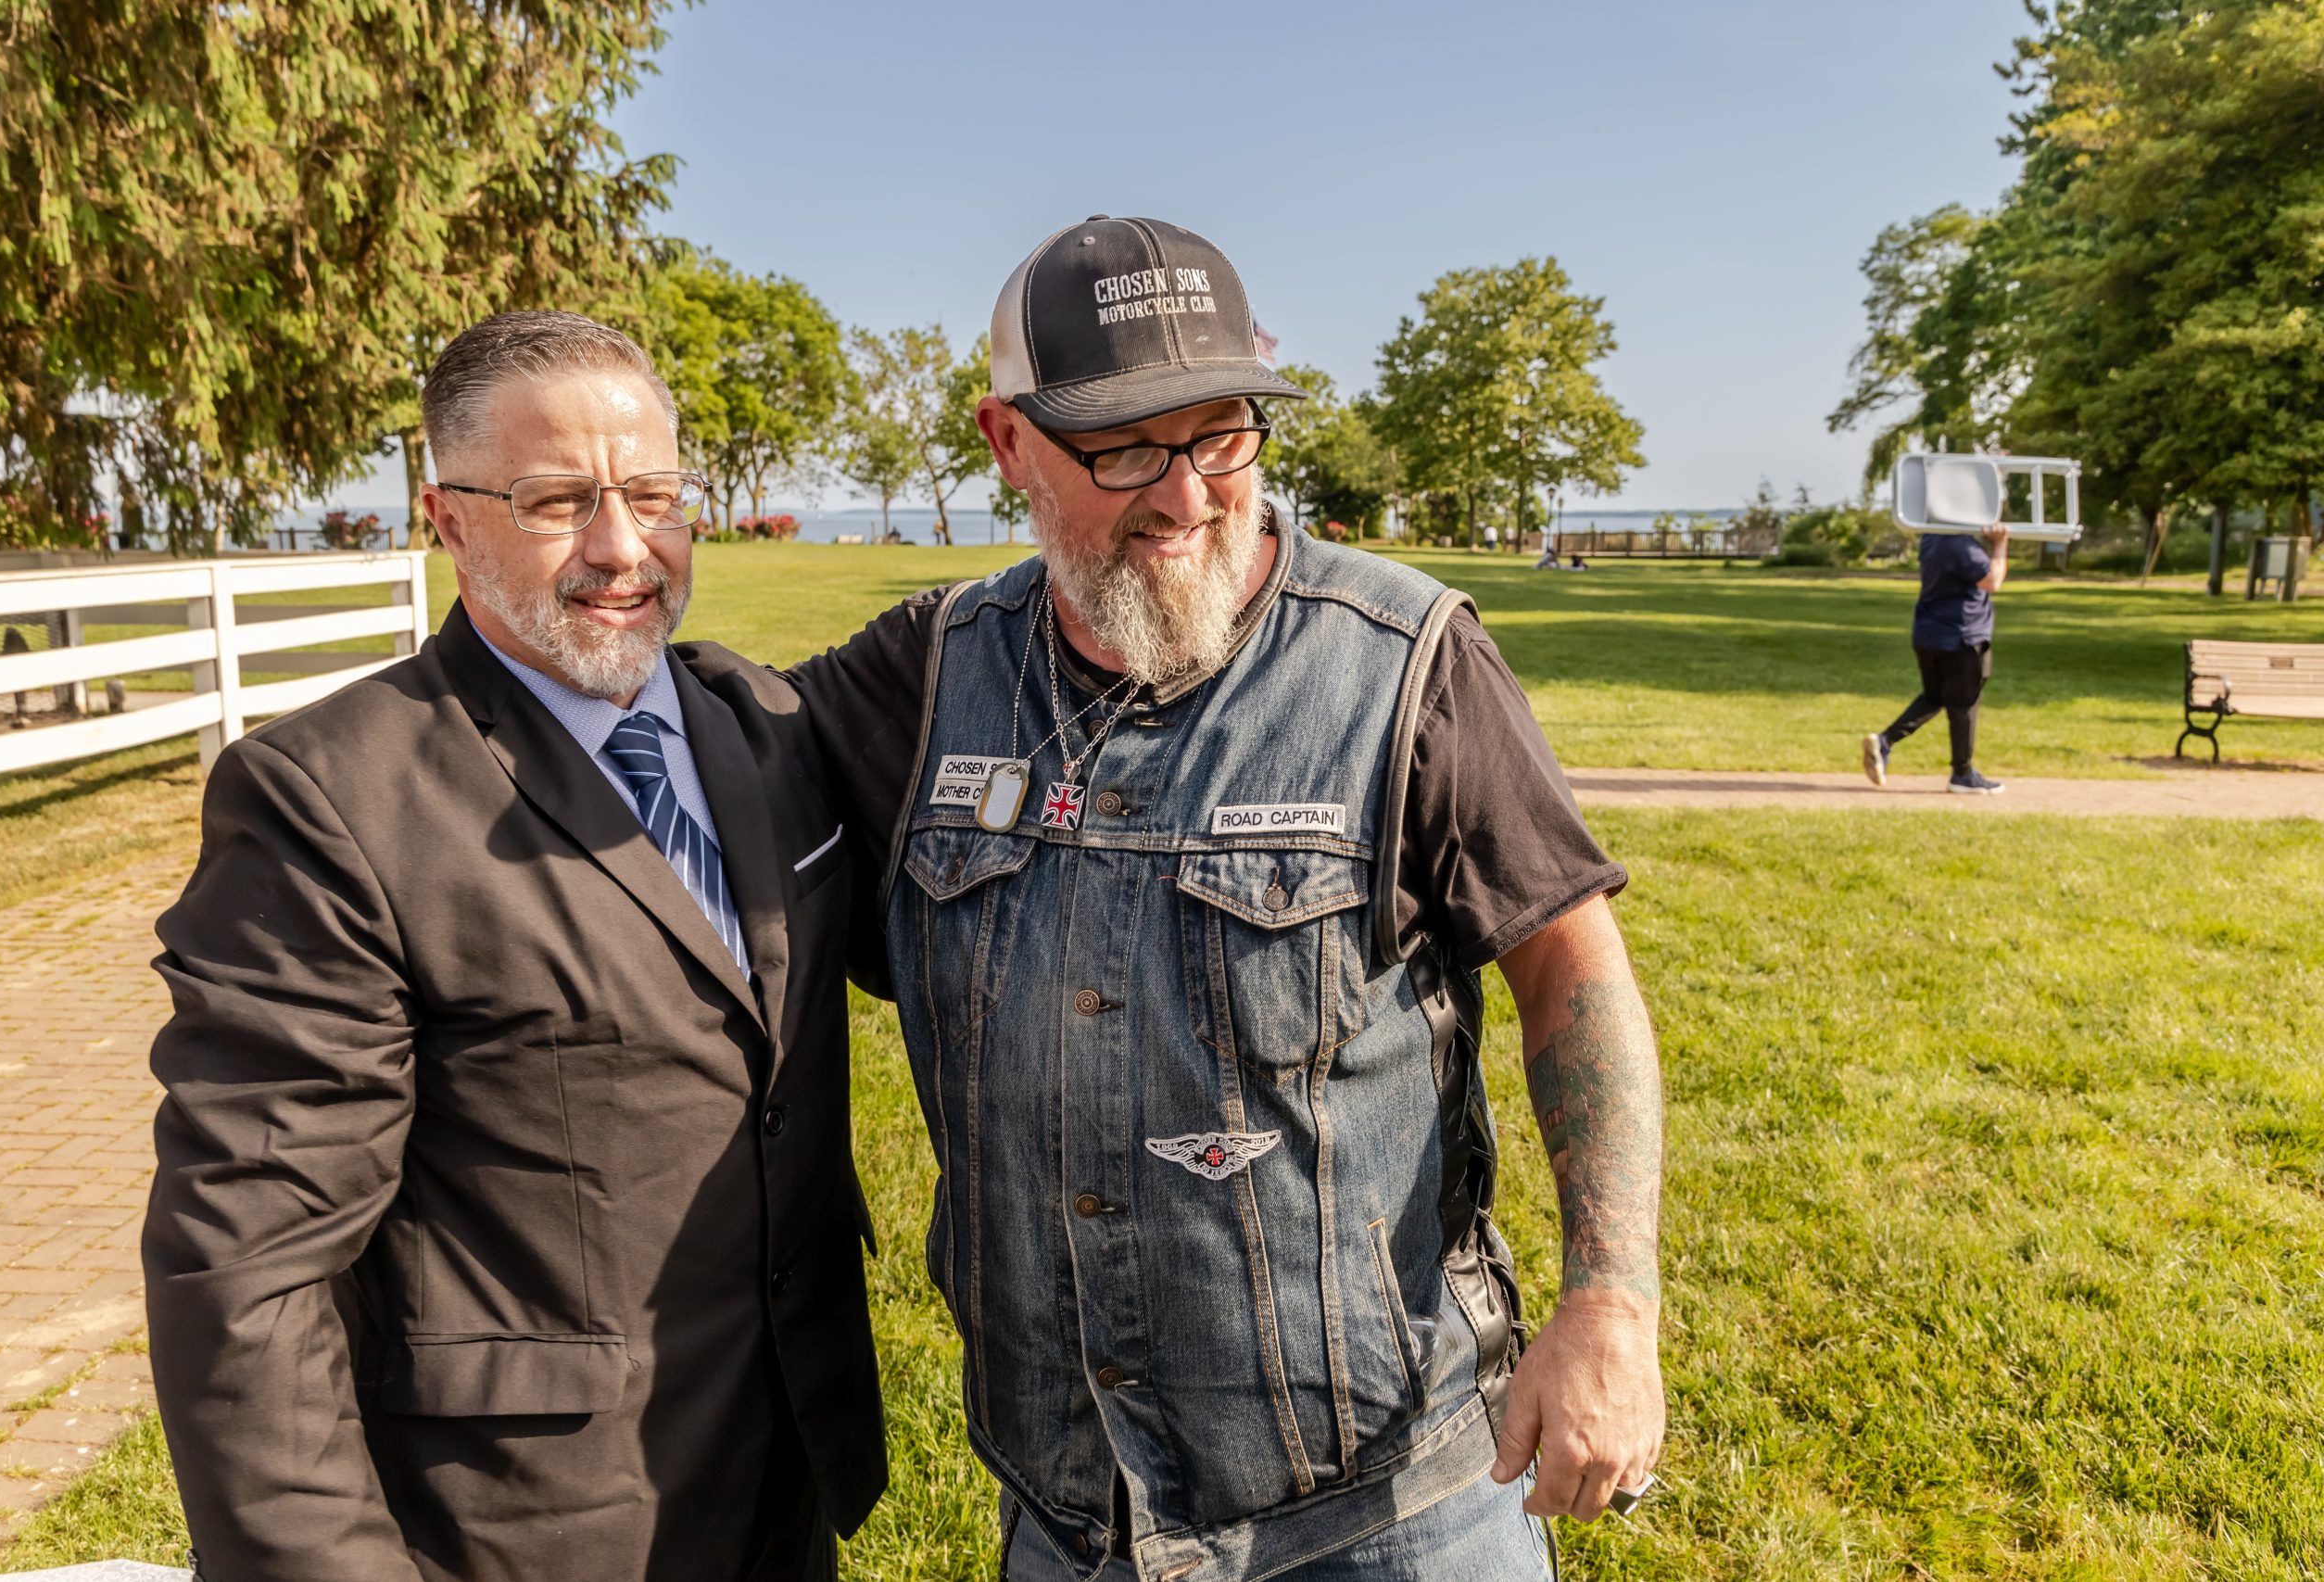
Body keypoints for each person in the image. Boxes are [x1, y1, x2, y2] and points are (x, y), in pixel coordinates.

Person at [794, 216, 1664, 1582]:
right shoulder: (925, 677)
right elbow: (671, 769)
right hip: (1073, 1518)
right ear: (1006, 441)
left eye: (1221, 436)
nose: (1187, 494)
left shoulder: (1406, 659)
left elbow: (1572, 964)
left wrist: (1611, 1302)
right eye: (1124, 449)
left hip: (1395, 1513)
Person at [142, 311, 885, 1582]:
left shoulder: (765, 724)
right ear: (446, 520)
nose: (621, 547)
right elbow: (247, 1271)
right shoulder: (328, 801)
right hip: (524, 1522)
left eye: (653, 494)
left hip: (784, 1478)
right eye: (555, 501)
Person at [1864, 524, 2009, 794]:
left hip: (1929, 634)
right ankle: (1962, 774)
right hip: (1962, 636)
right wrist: (2000, 544)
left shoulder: (1932, 537)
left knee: (1934, 697)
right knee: (1964, 704)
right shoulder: (1960, 544)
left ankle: (1884, 742)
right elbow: (1992, 581)